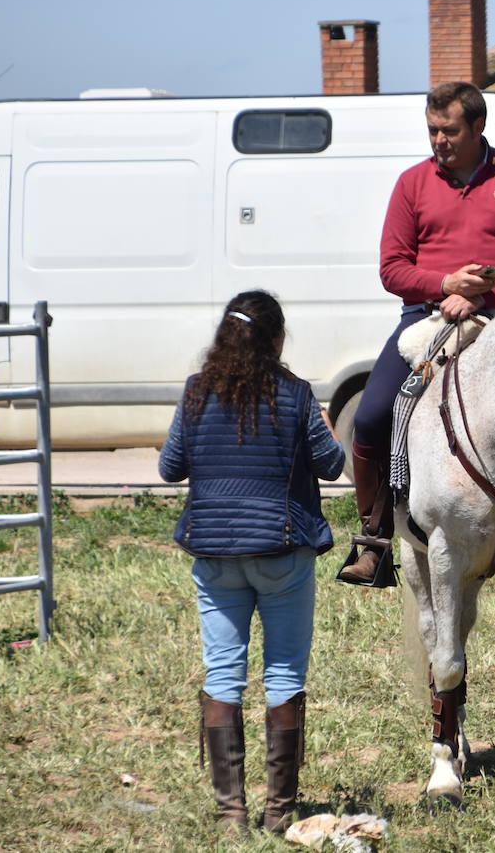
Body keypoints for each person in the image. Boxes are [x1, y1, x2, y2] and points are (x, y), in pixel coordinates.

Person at [339, 81, 495, 585]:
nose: (439, 140)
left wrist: (480, 296)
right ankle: (373, 540)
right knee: (370, 418)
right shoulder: (412, 183)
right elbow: (392, 269)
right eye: (433, 130)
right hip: (425, 318)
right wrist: (442, 284)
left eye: (449, 130)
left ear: (478, 126)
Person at [159, 291, 345, 832]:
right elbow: (331, 465)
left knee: (223, 673)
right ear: (276, 340)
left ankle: (229, 812)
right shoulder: (295, 394)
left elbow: (171, 468)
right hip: (282, 551)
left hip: (215, 553)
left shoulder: (196, 393)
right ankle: (279, 811)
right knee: (283, 673)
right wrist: (325, 425)